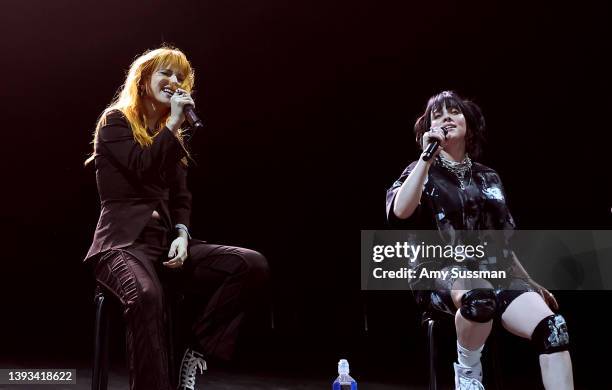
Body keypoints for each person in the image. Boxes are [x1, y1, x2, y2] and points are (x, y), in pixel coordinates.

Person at [84, 46, 269, 390]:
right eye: (165, 73)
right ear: (142, 81)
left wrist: (182, 234)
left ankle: (197, 351)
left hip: (164, 243)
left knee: (249, 264)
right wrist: (172, 124)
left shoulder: (173, 139)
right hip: (121, 245)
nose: (173, 81)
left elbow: (181, 198)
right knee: (146, 296)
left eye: (180, 76)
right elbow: (142, 167)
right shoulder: (115, 122)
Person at [385, 91, 573, 390]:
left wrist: (532, 284)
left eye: (454, 112)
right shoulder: (419, 171)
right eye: (438, 115)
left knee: (553, 328)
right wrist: (426, 157)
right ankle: (468, 372)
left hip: (492, 270)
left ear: (467, 124)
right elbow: (400, 213)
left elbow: (501, 243)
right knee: (478, 297)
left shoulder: (489, 178)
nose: (447, 117)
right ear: (428, 129)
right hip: (440, 271)